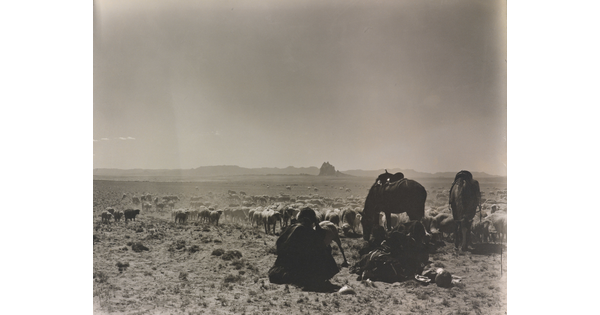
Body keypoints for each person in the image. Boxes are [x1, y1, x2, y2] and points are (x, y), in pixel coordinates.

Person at [268, 207, 339, 290]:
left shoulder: (291, 228)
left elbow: (279, 244)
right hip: (300, 269)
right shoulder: (309, 232)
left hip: (283, 266)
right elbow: (320, 249)